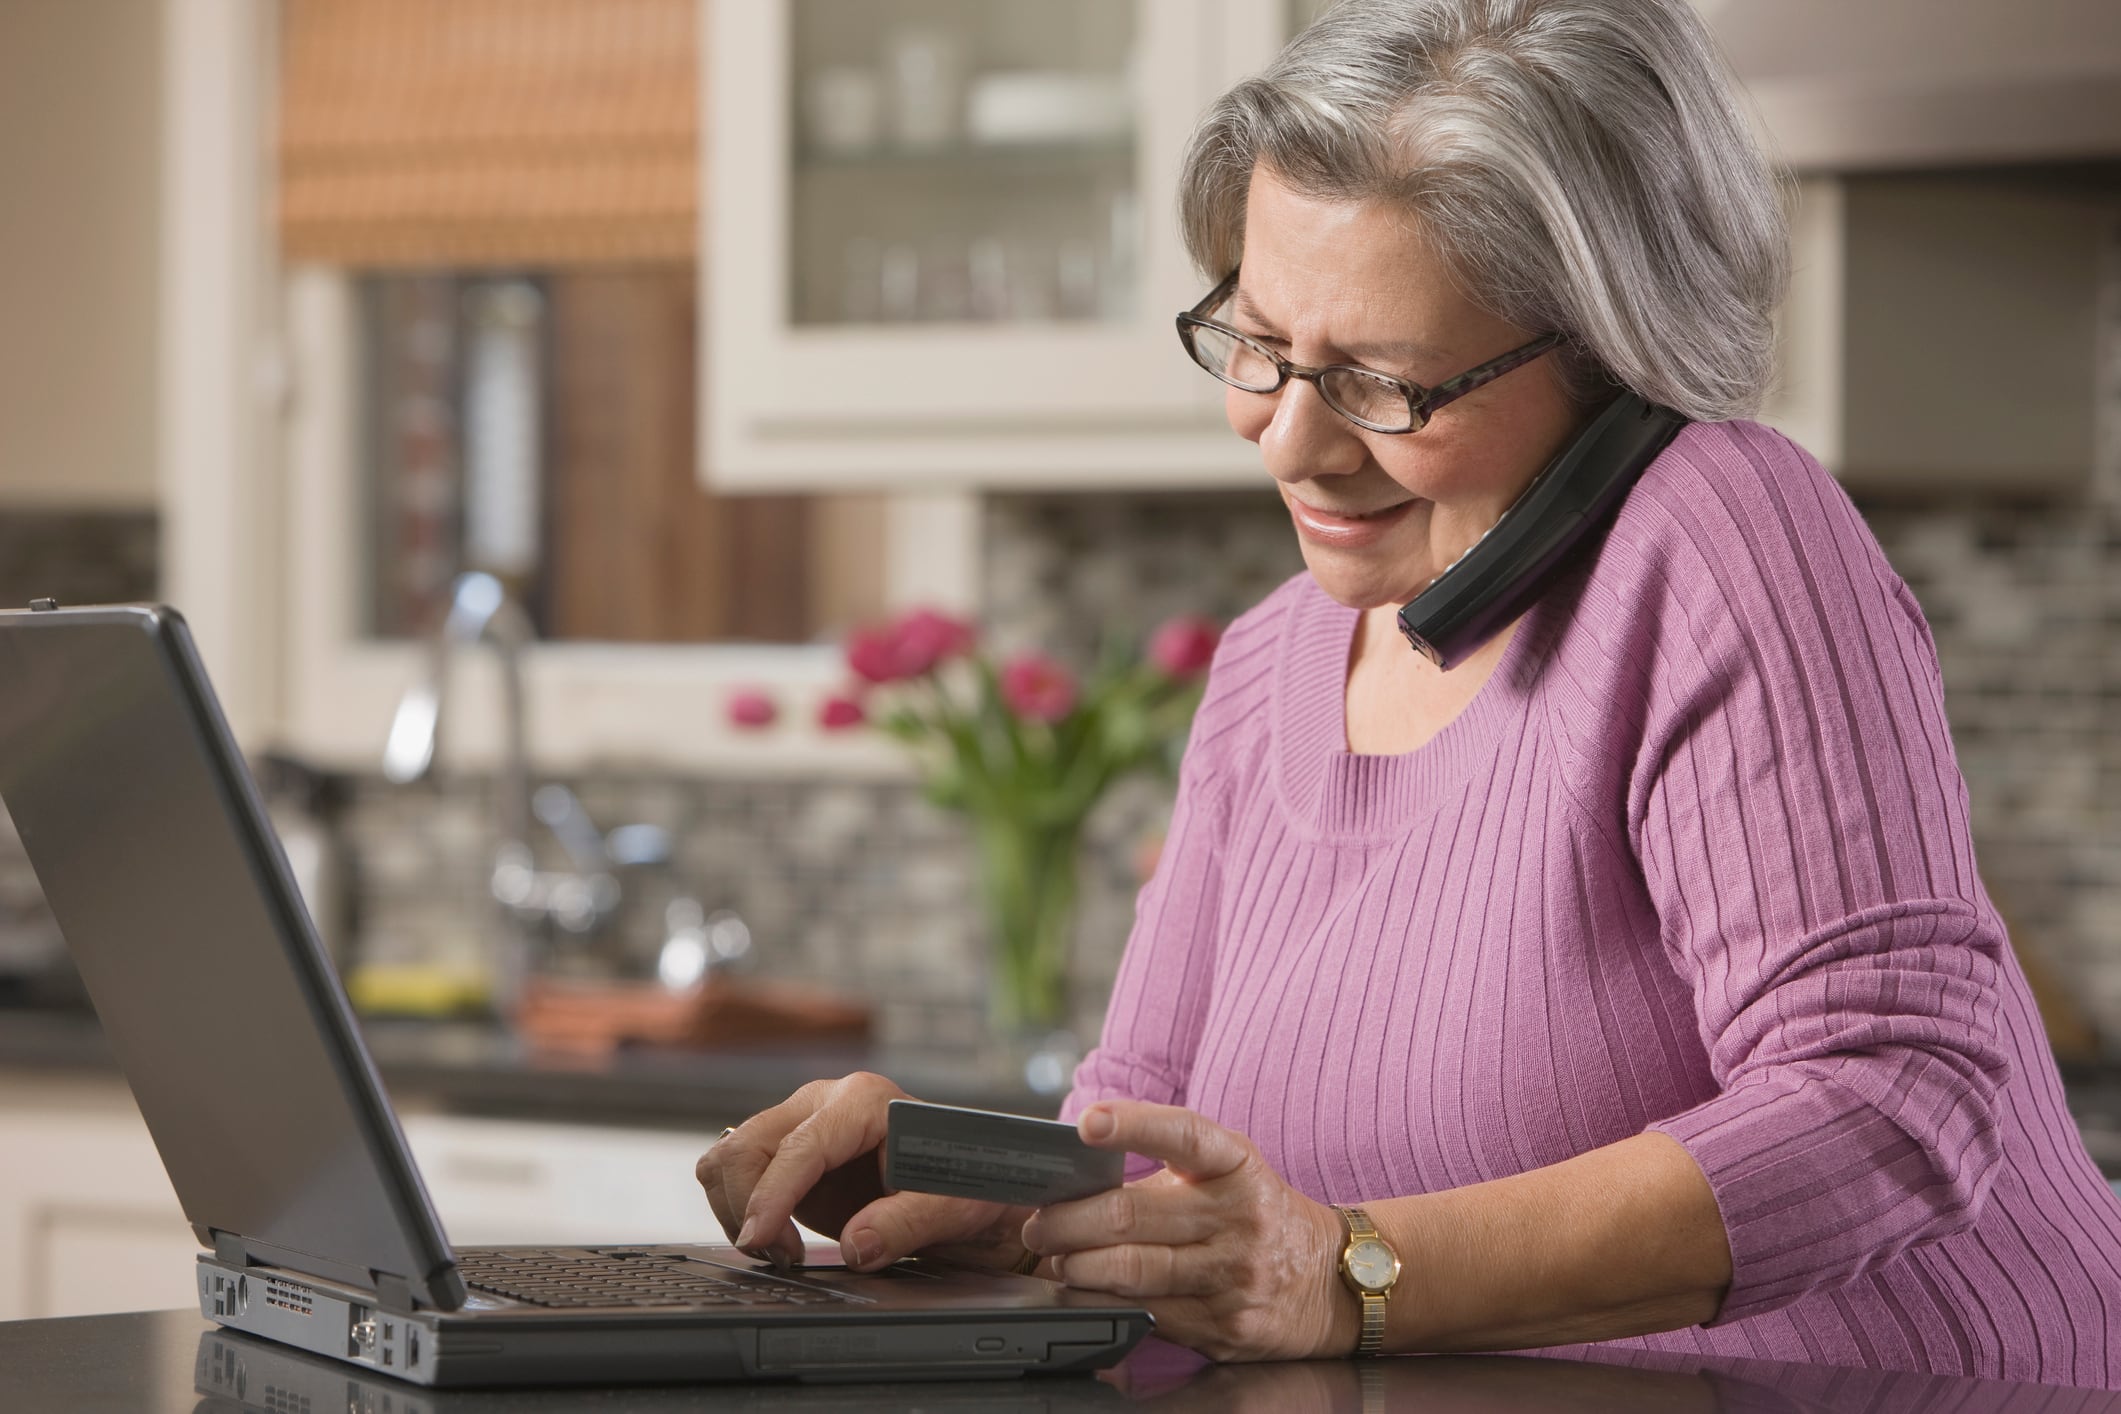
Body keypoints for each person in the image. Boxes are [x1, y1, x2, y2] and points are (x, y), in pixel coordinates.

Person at [698, 0, 2121, 1383]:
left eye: (1382, 382)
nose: (1292, 444)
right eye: (1258, 347)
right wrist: (978, 1183)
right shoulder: (1267, 665)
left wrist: (1345, 1273)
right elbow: (1159, 1147)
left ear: (1607, 350)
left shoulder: (1722, 537)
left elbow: (1885, 1100)